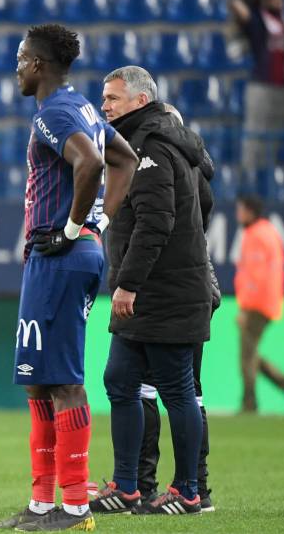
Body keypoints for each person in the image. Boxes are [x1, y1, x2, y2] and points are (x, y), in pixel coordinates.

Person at [0, 24, 136, 532]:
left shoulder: (55, 113)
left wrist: (76, 227)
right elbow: (126, 159)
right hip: (63, 253)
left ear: (37, 64)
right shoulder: (84, 108)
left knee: (64, 382)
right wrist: (99, 223)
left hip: (62, 254)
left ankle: (74, 507)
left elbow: (95, 162)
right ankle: (41, 503)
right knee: (40, 381)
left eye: (20, 57)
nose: (15, 66)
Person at [88, 98, 220, 515]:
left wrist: (129, 282)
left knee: (177, 388)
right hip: (155, 289)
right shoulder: (164, 146)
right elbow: (204, 207)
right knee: (120, 380)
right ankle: (127, 485)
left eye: (111, 96)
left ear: (139, 101)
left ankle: (188, 490)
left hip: (163, 291)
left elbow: (155, 220)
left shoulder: (153, 148)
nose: (104, 104)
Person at [235, 195, 284, 413]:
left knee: (246, 356)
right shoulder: (267, 232)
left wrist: (245, 308)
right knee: (251, 353)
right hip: (267, 302)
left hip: (257, 304)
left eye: (241, 209)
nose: (238, 214)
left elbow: (255, 276)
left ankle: (250, 403)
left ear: (249, 212)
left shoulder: (256, 236)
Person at [230, 0, 284, 178]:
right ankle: (247, 178)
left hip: (282, 86)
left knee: (275, 138)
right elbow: (238, 8)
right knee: (254, 134)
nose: (279, 2)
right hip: (261, 84)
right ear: (265, 0)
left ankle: (267, 180)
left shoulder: (283, 21)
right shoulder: (258, 17)